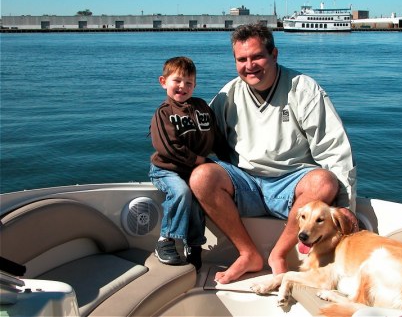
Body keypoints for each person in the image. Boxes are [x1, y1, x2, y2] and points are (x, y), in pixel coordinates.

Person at [189, 24, 357, 284]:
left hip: (292, 185)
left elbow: (334, 150)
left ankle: (278, 254)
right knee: (201, 177)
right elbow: (204, 141)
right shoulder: (228, 94)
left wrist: (345, 208)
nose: (250, 65)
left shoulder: (303, 89)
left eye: (257, 56)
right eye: (241, 59)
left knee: (324, 181)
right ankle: (248, 254)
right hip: (245, 182)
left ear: (274, 54)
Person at [149, 56, 228, 271]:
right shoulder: (163, 113)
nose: (182, 86)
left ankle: (194, 245)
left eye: (189, 83)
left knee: (197, 199)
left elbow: (215, 136)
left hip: (193, 169)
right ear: (163, 82)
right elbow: (169, 147)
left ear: (194, 85)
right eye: (177, 81)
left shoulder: (202, 107)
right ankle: (166, 240)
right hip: (167, 169)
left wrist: (227, 158)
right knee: (182, 192)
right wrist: (199, 160)